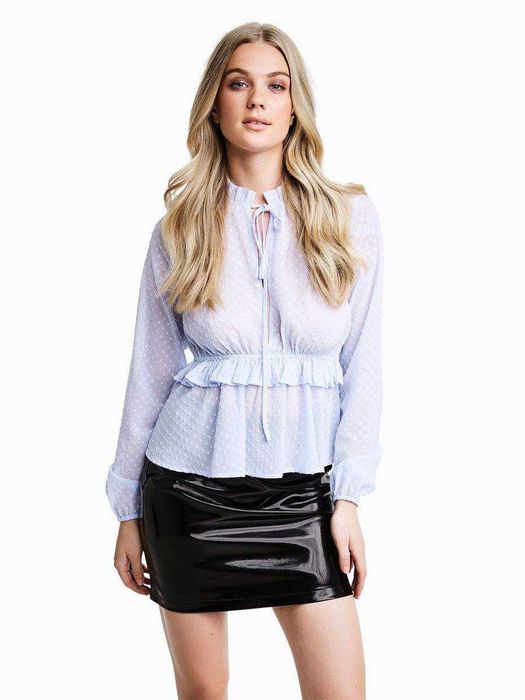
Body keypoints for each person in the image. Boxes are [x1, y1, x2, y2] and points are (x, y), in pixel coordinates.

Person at [105, 21, 384, 700]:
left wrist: (347, 500)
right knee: (205, 693)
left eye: (275, 85)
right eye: (238, 83)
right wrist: (127, 510)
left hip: (304, 495)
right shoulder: (179, 229)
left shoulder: (349, 219)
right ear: (215, 104)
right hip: (187, 496)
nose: (257, 99)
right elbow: (148, 376)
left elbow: (364, 370)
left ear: (295, 107)